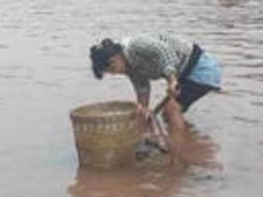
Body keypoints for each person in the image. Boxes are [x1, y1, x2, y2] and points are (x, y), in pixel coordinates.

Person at [89, 33, 222, 157]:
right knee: (167, 115)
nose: (115, 73)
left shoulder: (136, 45)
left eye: (112, 70)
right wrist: (143, 108)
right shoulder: (129, 68)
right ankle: (188, 143)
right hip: (183, 75)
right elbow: (142, 87)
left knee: (172, 109)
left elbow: (164, 51)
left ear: (114, 60)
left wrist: (171, 80)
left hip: (200, 68)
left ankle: (178, 159)